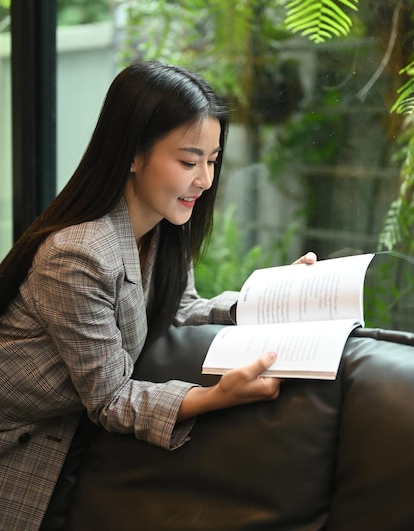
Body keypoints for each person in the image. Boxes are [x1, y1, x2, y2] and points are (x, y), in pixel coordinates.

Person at [0, 60, 316, 530]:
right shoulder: (78, 255)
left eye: (212, 160)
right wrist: (214, 398)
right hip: (21, 445)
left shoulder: (162, 228)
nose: (205, 180)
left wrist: (269, 299)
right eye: (189, 162)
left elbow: (179, 308)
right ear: (132, 153)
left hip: (75, 438)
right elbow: (108, 399)